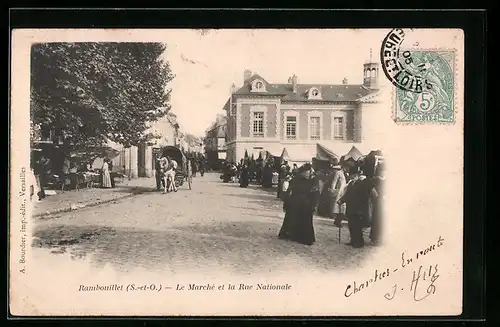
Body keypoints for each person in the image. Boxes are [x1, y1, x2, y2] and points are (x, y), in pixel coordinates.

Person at [278, 163, 320, 246]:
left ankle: (304, 238)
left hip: (306, 204)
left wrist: (314, 205)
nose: (309, 174)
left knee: (305, 221)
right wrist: (286, 203)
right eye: (307, 172)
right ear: (302, 172)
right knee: (292, 219)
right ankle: (290, 235)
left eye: (309, 172)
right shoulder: (295, 179)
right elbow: (289, 192)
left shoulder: (313, 181)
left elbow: (315, 194)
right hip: (295, 203)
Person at [337, 166, 373, 248]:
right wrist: (341, 200)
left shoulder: (361, 184)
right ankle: (353, 240)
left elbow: (365, 197)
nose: (352, 177)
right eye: (351, 176)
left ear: (357, 175)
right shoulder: (350, 184)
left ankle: (359, 242)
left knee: (357, 226)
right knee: (351, 225)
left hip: (358, 209)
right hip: (351, 208)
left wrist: (362, 208)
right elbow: (347, 195)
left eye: (354, 176)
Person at [369, 163, 385, 245]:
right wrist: (376, 197)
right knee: (377, 219)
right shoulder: (375, 180)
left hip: (383, 200)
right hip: (379, 200)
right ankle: (375, 238)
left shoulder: (386, 180)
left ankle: (378, 238)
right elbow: (372, 189)